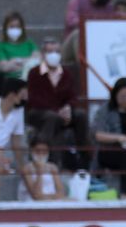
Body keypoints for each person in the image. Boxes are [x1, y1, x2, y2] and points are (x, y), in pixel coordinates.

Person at [26, 37, 84, 170]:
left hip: (61, 111)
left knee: (80, 115)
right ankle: (43, 155)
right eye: (50, 51)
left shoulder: (66, 73)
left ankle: (84, 158)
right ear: (43, 54)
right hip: (39, 112)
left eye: (57, 51)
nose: (54, 55)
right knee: (53, 117)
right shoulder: (34, 73)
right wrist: (59, 111)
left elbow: (72, 96)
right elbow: (34, 99)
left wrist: (68, 107)